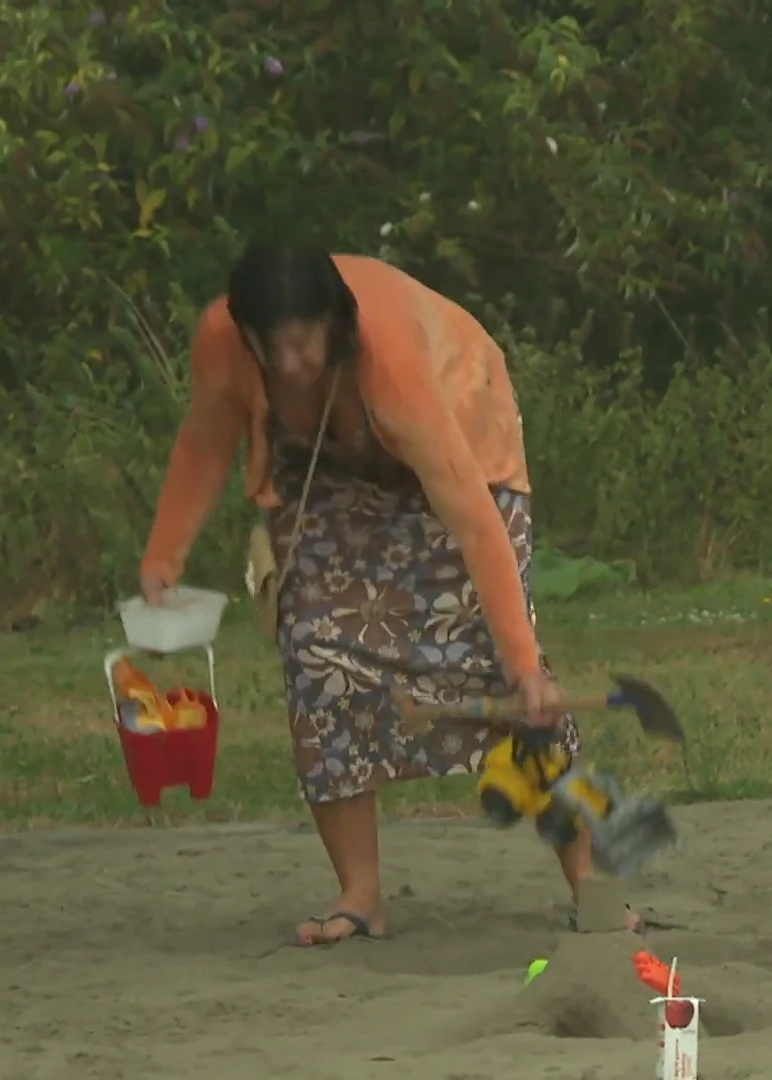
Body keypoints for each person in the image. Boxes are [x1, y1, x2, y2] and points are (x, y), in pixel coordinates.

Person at [138, 246, 632, 945]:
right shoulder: (222, 338)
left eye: (304, 344)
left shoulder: (394, 361)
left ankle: (594, 887)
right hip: (332, 464)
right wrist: (165, 554)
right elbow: (207, 438)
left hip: (463, 449)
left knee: (505, 673)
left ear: (335, 324)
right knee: (315, 645)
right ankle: (360, 894)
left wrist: (521, 660)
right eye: (269, 347)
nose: (288, 365)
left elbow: (467, 512)